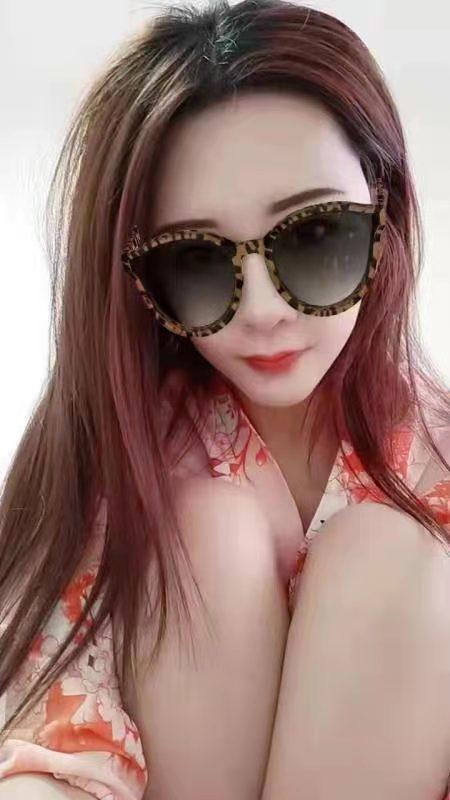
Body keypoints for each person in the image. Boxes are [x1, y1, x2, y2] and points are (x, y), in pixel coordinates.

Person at [1, 0, 450, 797]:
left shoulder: (434, 461)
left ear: (386, 213)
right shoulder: (115, 447)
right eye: (197, 261)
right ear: (139, 278)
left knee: (397, 559)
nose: (263, 310)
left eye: (314, 235)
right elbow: (48, 737)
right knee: (205, 536)